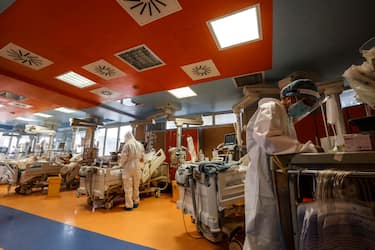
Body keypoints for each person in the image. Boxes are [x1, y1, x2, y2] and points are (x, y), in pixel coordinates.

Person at [244, 79, 321, 250]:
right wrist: (306, 147)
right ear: (290, 98)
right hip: (262, 179)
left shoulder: (287, 118)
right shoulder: (272, 107)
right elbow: (267, 139)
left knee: (274, 228)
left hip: (272, 178)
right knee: (263, 230)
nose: (306, 108)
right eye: (305, 102)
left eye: (310, 105)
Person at [120, 131, 145, 211]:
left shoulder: (127, 145)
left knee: (128, 187)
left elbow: (124, 157)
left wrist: (120, 164)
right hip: (137, 165)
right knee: (136, 185)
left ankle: (129, 205)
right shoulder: (139, 144)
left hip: (129, 166)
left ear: (127, 137)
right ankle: (136, 202)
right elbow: (142, 156)